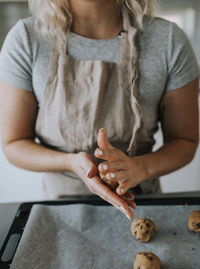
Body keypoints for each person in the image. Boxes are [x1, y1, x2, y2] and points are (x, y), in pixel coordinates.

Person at [0, 0, 199, 220]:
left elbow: (184, 141)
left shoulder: (169, 40)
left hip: (143, 209)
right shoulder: (27, 39)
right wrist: (71, 162)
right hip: (59, 215)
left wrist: (139, 168)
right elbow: (14, 143)